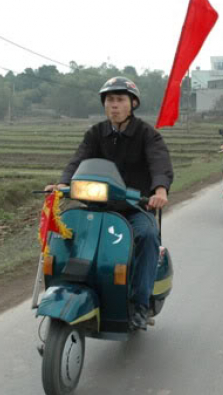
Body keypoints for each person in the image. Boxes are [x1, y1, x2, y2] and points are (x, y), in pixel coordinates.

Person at [44, 76, 174, 330]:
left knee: (147, 236)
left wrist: (159, 189)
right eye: (109, 100)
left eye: (120, 100)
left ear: (132, 103)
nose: (114, 105)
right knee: (66, 236)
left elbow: (160, 162)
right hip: (97, 206)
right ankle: (68, 291)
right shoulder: (96, 133)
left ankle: (139, 304)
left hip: (135, 208)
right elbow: (79, 158)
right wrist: (63, 183)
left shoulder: (147, 135)